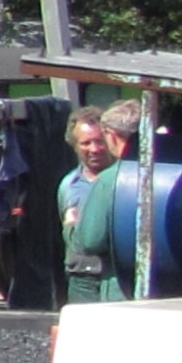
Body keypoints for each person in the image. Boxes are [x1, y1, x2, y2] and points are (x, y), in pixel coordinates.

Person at [62, 100, 140, 305]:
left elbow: (90, 240)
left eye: (100, 140)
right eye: (86, 143)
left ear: (110, 136)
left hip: (116, 279)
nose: (95, 149)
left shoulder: (110, 179)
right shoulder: (69, 185)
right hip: (83, 276)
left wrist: (70, 227)